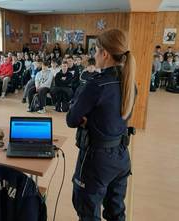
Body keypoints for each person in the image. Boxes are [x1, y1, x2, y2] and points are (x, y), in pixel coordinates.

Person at [67, 29, 136, 221]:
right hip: (121, 156)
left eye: (95, 50)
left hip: (96, 160)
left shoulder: (96, 85)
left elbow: (71, 119)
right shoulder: (130, 82)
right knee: (116, 213)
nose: (94, 55)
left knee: (87, 212)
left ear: (104, 53)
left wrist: (86, 117)